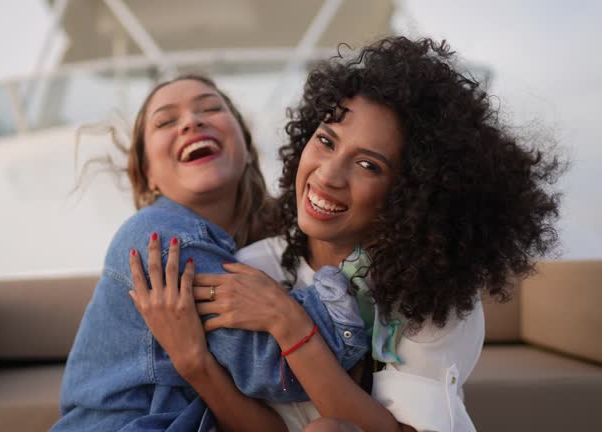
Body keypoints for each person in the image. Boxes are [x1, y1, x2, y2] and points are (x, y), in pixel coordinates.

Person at [132, 37, 563, 432]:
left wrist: (289, 323)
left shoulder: (436, 297)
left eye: (368, 165)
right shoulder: (254, 267)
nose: (328, 175)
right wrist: (195, 364)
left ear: (412, 192)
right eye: (326, 140)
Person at [53, 75, 370, 432]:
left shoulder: (253, 253)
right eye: (166, 121)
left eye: (211, 108)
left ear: (246, 149)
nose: (191, 121)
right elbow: (277, 369)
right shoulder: (160, 238)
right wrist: (344, 291)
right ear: (148, 174)